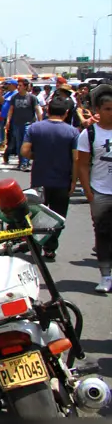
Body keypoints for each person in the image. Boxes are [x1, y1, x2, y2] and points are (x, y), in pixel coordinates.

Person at [21, 97, 78, 261]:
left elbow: (25, 151)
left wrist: (38, 157)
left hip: (39, 179)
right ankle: (50, 247)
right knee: (58, 216)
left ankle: (36, 245)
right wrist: (74, 181)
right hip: (62, 180)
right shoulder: (73, 132)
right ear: (66, 113)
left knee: (38, 213)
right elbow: (76, 159)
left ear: (48, 110)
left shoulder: (35, 128)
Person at [77, 84, 112, 292]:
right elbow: (82, 164)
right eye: (107, 109)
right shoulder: (89, 133)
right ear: (98, 110)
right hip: (100, 191)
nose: (111, 113)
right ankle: (105, 275)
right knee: (103, 232)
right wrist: (88, 191)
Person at [6, 78, 43, 171]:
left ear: (26, 87)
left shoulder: (32, 97)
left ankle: (25, 163)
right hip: (17, 124)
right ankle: (21, 161)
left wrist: (41, 122)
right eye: (18, 85)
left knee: (26, 143)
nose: (18, 87)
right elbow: (11, 110)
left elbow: (37, 110)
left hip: (28, 124)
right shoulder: (14, 97)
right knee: (19, 143)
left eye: (20, 85)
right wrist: (8, 121)